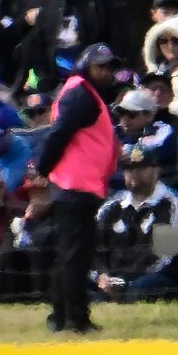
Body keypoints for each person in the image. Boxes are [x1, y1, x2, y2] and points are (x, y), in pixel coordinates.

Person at [33, 43, 121, 332]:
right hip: (75, 185)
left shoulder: (83, 92)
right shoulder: (81, 93)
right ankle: (76, 319)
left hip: (78, 185)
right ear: (85, 66)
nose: (107, 72)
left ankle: (60, 317)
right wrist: (43, 168)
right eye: (101, 66)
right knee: (76, 256)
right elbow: (58, 134)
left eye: (110, 67)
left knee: (70, 253)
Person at [93, 146, 178, 302]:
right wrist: (101, 275)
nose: (134, 174)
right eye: (129, 169)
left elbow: (167, 258)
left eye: (141, 168)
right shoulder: (112, 205)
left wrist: (124, 281)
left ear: (156, 171)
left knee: (140, 290)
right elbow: (91, 244)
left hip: (153, 277)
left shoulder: (174, 203)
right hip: (110, 279)